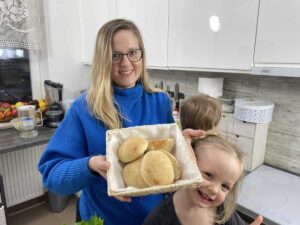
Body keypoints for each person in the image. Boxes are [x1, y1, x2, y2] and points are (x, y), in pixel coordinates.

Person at [38, 19, 178, 225]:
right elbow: (51, 176)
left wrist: (193, 146)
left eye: (132, 52)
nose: (126, 63)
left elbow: (171, 161)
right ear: (103, 59)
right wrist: (91, 165)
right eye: (115, 55)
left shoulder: (161, 102)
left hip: (155, 219)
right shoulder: (84, 108)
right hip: (102, 220)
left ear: (142, 54)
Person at [143, 94, 263, 225]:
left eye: (225, 186)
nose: (214, 190)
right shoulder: (160, 218)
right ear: (190, 161)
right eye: (209, 175)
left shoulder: (222, 211)